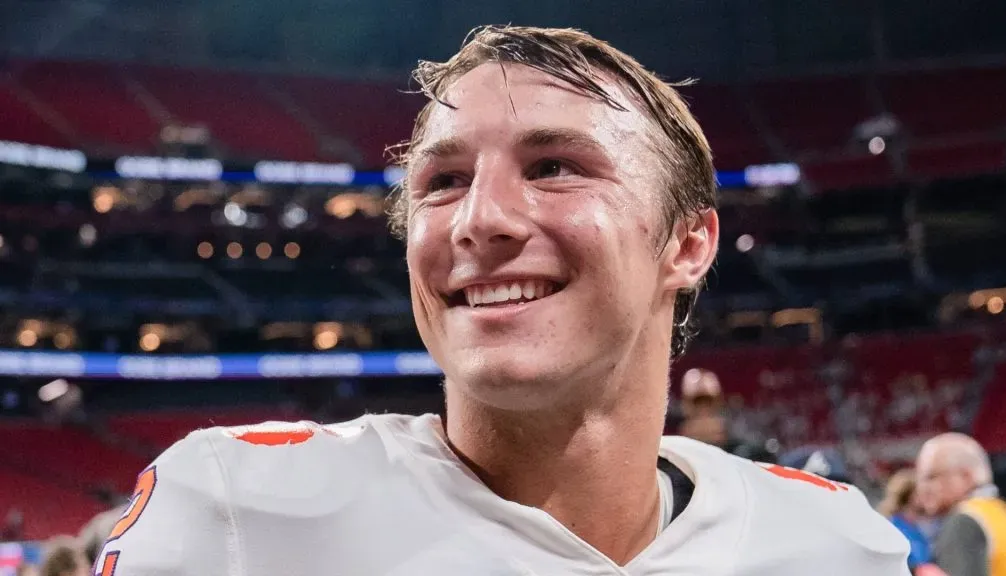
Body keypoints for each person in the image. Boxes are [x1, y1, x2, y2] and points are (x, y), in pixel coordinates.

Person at [99, 25, 910, 575]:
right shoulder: (239, 515)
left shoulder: (835, 545)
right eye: (443, 182)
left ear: (688, 244)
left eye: (554, 166)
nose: (479, 221)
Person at [916, 432, 1006, 576]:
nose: (922, 488)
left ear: (966, 476)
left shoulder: (963, 521)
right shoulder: (1004, 510)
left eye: (932, 477)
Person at [878, 468, 939, 574]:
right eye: (922, 493)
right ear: (912, 496)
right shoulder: (893, 529)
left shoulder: (918, 529)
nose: (928, 497)